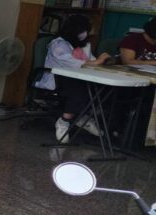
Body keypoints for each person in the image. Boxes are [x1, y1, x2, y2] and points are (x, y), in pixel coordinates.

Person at [35, 14, 110, 142]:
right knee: (80, 88)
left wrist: (102, 61)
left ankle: (81, 116)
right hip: (57, 80)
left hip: (77, 77)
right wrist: (98, 61)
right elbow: (73, 63)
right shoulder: (58, 44)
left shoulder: (81, 45)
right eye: (84, 30)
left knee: (98, 87)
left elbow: (91, 61)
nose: (86, 34)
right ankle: (64, 121)